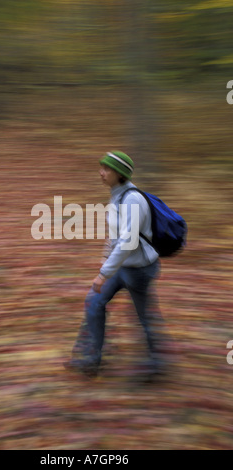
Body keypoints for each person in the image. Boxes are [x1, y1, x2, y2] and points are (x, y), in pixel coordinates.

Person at [65, 151, 166, 379]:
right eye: (101, 168)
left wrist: (103, 273)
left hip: (139, 270)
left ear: (120, 173)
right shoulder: (117, 195)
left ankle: (158, 366)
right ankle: (89, 360)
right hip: (122, 267)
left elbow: (127, 243)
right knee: (94, 302)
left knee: (145, 318)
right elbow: (113, 237)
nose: (101, 173)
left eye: (107, 169)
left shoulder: (132, 199)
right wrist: (104, 264)